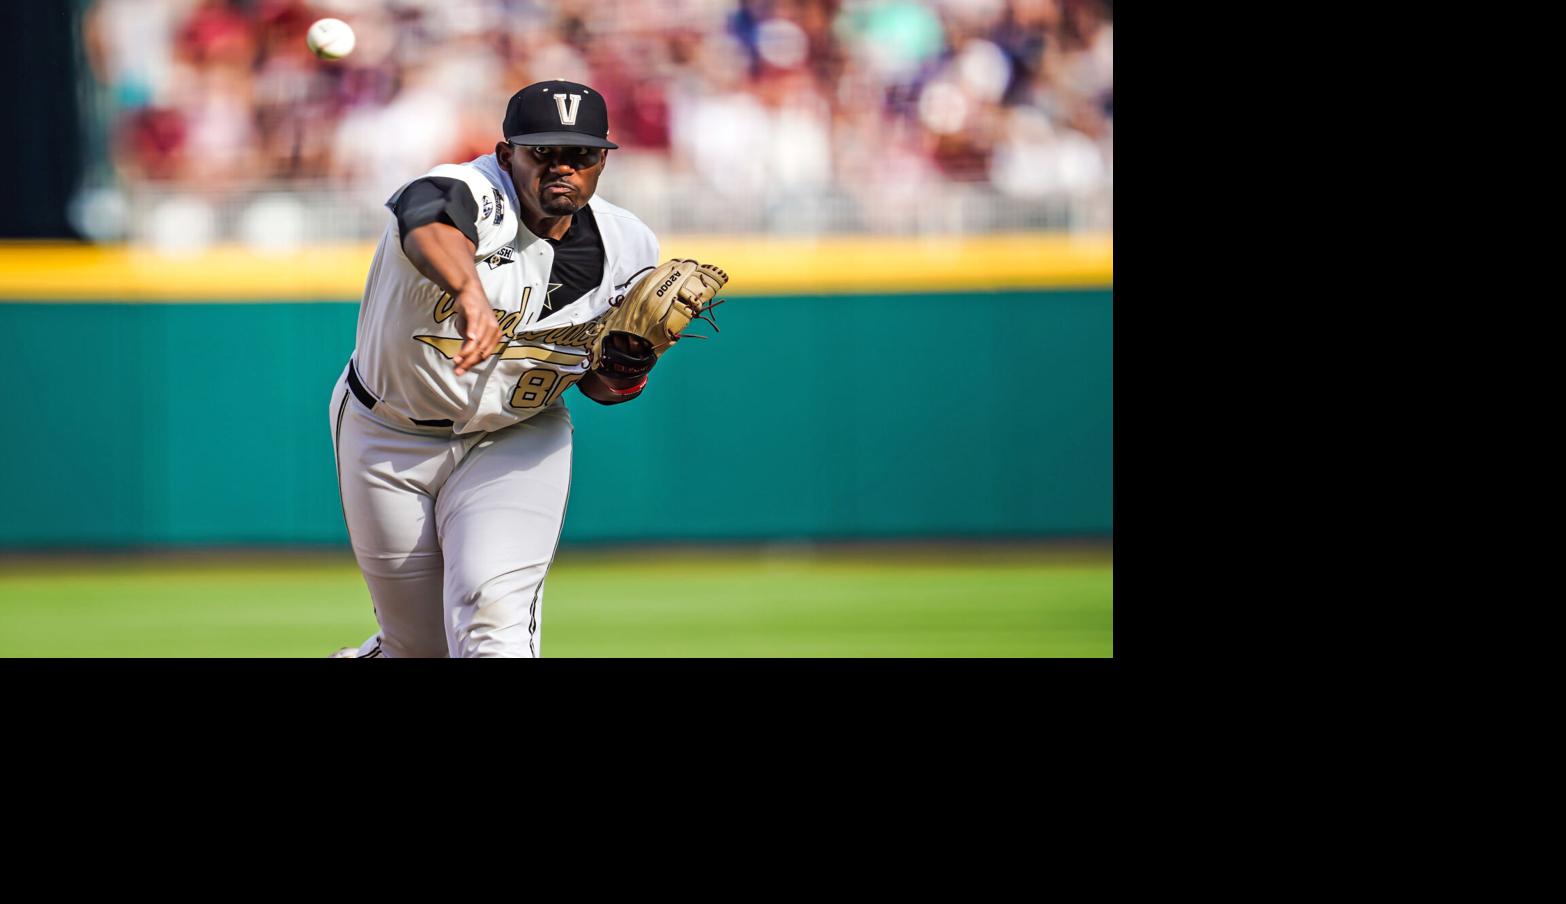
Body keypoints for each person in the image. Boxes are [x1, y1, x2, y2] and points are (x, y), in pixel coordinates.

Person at [328, 80, 659, 658]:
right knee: (418, 647)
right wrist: (469, 291)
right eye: (543, 152)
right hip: (389, 436)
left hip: (516, 437)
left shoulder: (628, 246)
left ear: (602, 159)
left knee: (494, 627)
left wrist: (628, 368)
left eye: (580, 154)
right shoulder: (469, 189)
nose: (562, 167)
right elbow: (424, 217)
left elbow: (603, 388)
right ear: (508, 155)